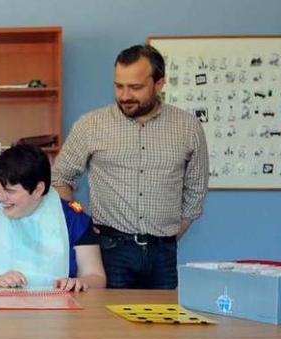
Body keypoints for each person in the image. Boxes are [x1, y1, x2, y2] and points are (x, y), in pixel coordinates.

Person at [52, 44, 208, 289]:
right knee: (109, 326)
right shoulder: (91, 124)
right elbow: (60, 177)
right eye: (119, 86)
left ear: (159, 84)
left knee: (163, 324)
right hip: (110, 249)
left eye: (135, 87)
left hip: (163, 253)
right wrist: (79, 215)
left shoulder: (188, 127)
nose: (125, 95)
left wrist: (170, 234)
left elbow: (195, 190)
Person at [0, 144, 106, 291]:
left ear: (38, 189)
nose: (1, 197)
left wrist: (77, 283)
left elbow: (96, 277)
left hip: (58, 313)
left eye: (10, 191)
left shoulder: (73, 219)